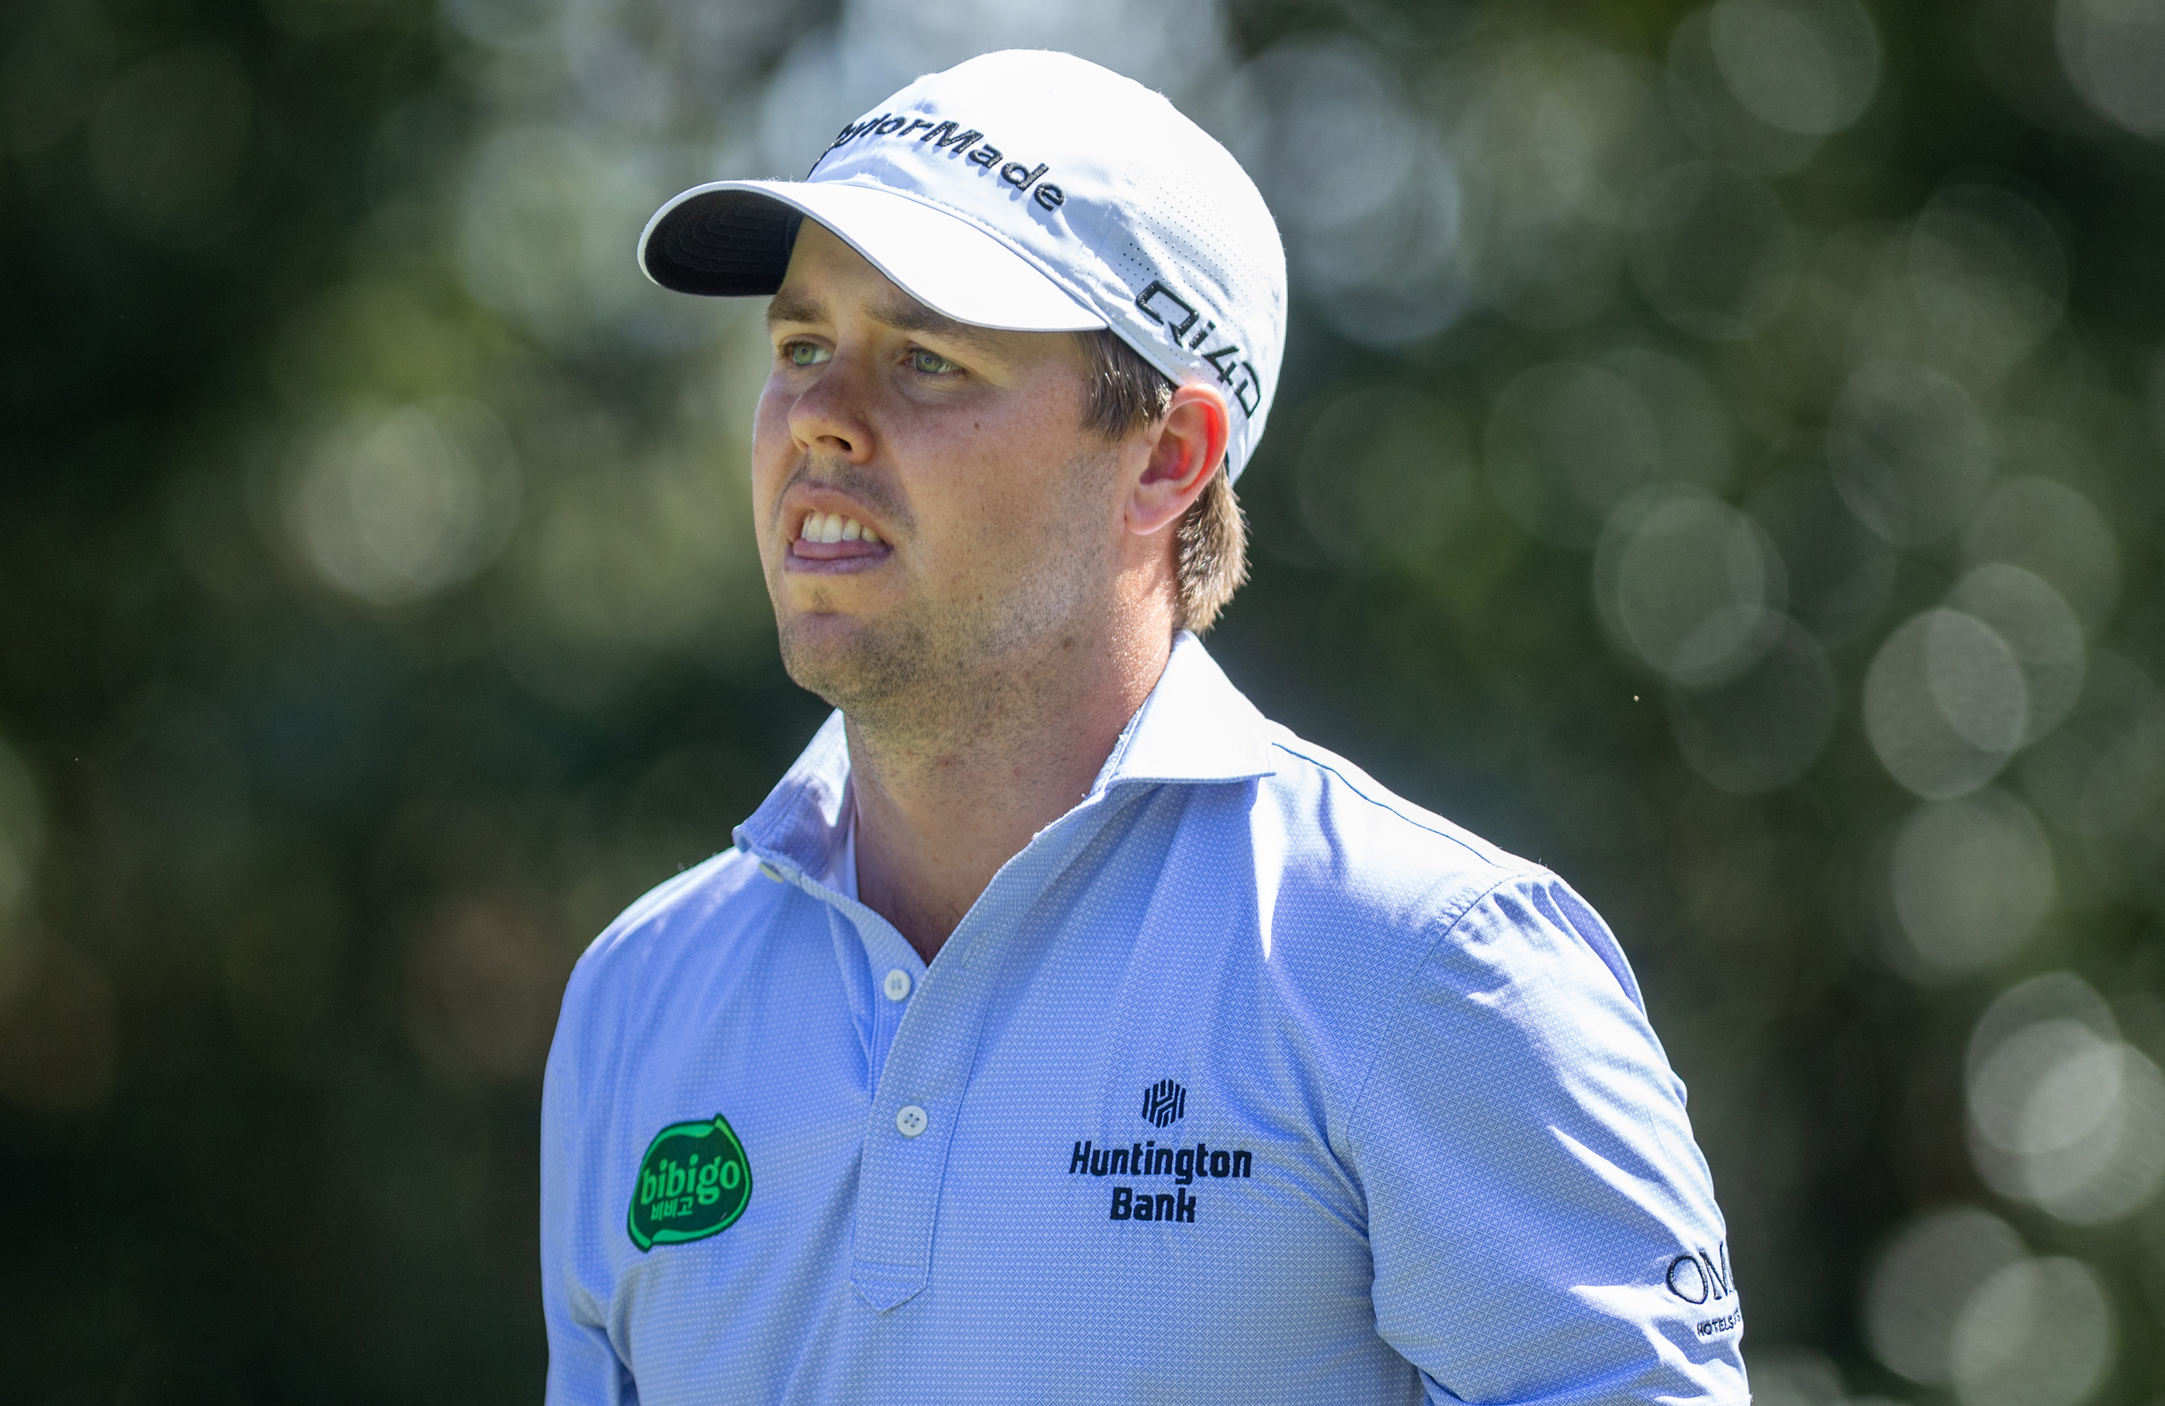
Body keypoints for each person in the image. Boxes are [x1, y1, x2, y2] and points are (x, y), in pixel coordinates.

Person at [540, 48, 1747, 1404]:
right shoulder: (639, 994)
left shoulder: (1429, 963)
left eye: (926, 360)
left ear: (1168, 457)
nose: (818, 417)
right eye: (803, 346)